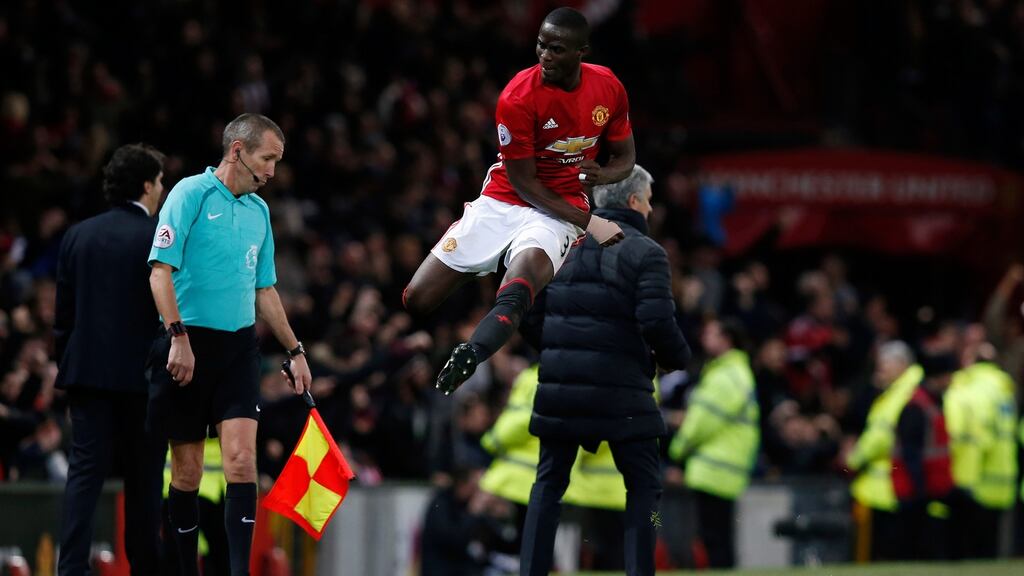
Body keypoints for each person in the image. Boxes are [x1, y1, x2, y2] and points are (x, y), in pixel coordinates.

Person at [402, 7, 636, 394]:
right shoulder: (518, 96)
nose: (545, 55)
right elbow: (526, 185)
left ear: (582, 51)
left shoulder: (608, 87)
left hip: (560, 211)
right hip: (504, 200)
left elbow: (626, 157)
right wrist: (593, 223)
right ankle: (490, 264)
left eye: (557, 49)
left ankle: (471, 354)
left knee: (519, 284)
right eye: (541, 45)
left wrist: (605, 176)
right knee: (417, 299)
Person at [147, 113, 311, 576]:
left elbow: (265, 290)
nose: (273, 171)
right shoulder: (190, 195)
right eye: (268, 158)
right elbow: (159, 272)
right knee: (188, 474)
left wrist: (295, 350)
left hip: (239, 349)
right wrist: (177, 337)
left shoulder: (259, 213)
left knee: (242, 460)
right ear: (238, 151)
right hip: (187, 346)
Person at [516, 165, 691, 576]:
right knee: (646, 492)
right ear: (633, 202)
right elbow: (656, 323)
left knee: (548, 487)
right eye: (648, 199)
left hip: (562, 392)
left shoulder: (563, 244)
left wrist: (563, 351)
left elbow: (525, 313)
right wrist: (677, 360)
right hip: (623, 393)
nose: (650, 208)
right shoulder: (646, 252)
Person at [54, 143, 168, 576]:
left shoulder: (78, 235)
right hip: (142, 381)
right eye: (159, 181)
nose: (162, 189)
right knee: (144, 483)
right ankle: (144, 567)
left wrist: (69, 370)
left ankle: (71, 569)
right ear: (145, 184)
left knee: (83, 477)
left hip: (88, 377)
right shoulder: (158, 236)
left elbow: (63, 318)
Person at [668, 318, 759, 569]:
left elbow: (701, 423)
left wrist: (677, 451)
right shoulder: (736, 372)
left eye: (711, 333)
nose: (704, 337)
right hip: (725, 469)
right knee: (719, 539)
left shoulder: (725, 376)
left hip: (714, 469)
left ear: (726, 340)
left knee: (713, 541)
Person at [845, 341, 922, 561]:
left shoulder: (899, 395)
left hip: (883, 489)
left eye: (884, 364)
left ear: (901, 364)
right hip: (897, 486)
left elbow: (879, 438)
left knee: (872, 558)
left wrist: (851, 459)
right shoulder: (906, 391)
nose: (880, 370)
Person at [891, 352, 958, 560]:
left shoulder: (931, 403)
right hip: (915, 491)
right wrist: (921, 490)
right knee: (913, 548)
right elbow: (911, 453)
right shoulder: (917, 407)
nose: (951, 381)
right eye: (948, 376)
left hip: (929, 488)